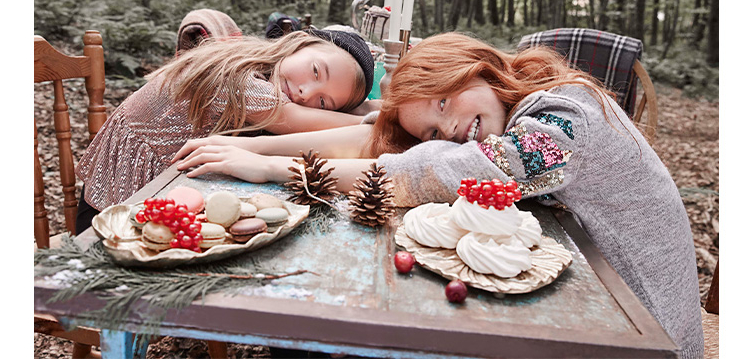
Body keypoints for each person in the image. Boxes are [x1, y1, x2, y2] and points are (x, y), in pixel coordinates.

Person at [174, 32, 704, 358]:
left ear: (478, 66)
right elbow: (389, 146)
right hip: (597, 310)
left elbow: (453, 171)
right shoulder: (521, 110)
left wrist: (269, 168)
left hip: (643, 336)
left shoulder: (562, 121)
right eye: (432, 130)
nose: (450, 128)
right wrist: (256, 152)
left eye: (446, 100)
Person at [74, 29, 375, 234]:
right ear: (300, 43)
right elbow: (297, 119)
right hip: (112, 222)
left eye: (322, 102)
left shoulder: (252, 61)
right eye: (315, 71)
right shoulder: (240, 84)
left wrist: (367, 107)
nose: (304, 91)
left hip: (153, 203)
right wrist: (388, 115)